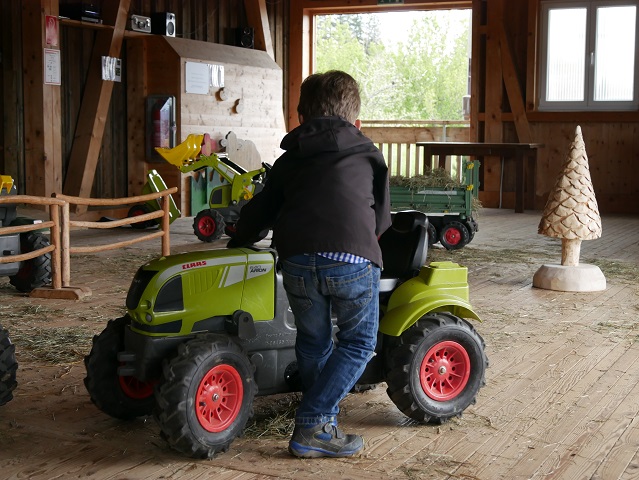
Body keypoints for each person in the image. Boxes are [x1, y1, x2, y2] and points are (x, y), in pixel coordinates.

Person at [228, 70, 392, 458]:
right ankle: (314, 421)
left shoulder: (289, 160)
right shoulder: (369, 154)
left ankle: (321, 421)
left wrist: (237, 242)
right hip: (352, 259)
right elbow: (382, 218)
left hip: (298, 261)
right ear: (357, 121)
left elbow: (259, 213)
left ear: (301, 117)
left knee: (314, 340)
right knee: (359, 342)